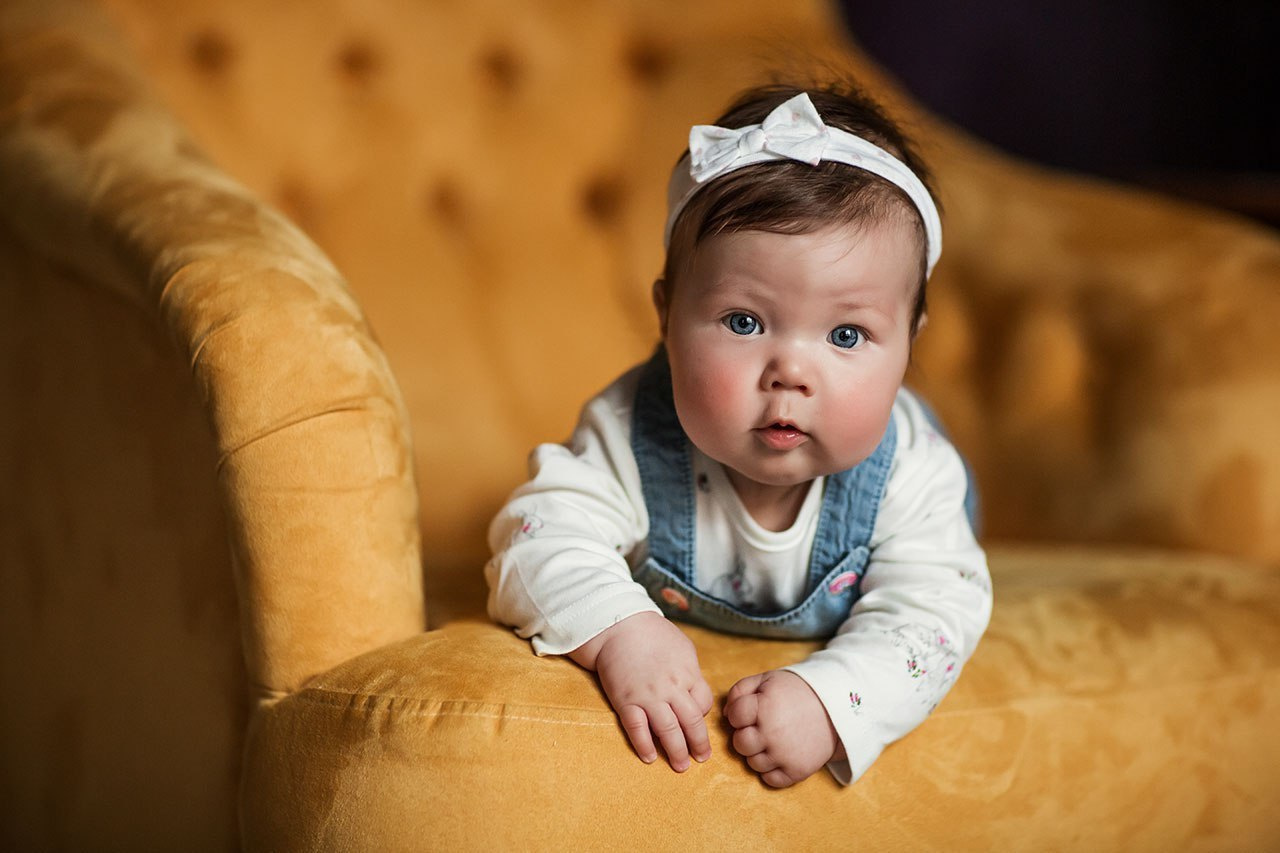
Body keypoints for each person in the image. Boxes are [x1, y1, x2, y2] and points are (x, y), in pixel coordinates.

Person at [485, 82, 992, 788]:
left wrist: (832, 696)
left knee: (952, 552)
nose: (790, 372)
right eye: (744, 321)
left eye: (847, 334)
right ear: (666, 315)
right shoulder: (630, 431)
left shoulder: (908, 468)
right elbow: (536, 535)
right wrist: (623, 630)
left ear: (910, 342)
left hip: (926, 507)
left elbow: (933, 618)